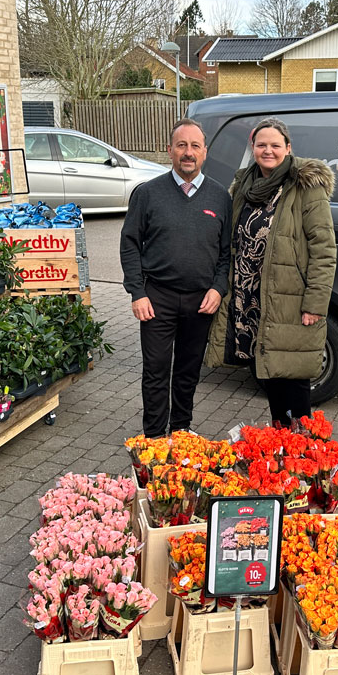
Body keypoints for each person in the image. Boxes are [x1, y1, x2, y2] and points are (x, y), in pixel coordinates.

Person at [205, 117, 337, 426]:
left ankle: (304, 459)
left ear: (288, 148)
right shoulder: (243, 186)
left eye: (275, 145)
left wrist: (314, 304)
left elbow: (324, 249)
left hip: (288, 299)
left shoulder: (305, 186)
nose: (268, 151)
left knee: (294, 379)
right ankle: (279, 454)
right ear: (252, 148)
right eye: (261, 145)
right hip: (252, 298)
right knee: (271, 375)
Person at [120, 118, 231, 438]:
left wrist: (218, 287)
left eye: (195, 146)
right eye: (181, 145)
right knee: (155, 372)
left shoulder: (220, 197)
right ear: (169, 150)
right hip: (157, 299)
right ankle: (154, 437)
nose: (188, 152)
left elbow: (226, 253)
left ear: (205, 153)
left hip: (201, 301)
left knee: (187, 371)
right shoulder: (147, 194)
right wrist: (137, 292)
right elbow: (129, 244)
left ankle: (181, 429)